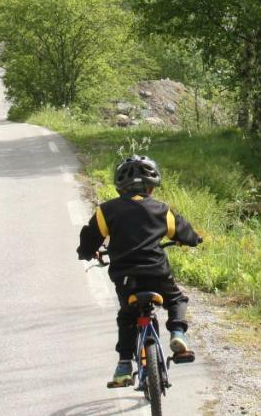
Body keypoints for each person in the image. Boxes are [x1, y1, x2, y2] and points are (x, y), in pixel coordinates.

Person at [77, 154, 202, 388]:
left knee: (127, 316)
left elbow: (89, 239)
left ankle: (124, 365)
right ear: (151, 188)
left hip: (126, 278)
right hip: (157, 274)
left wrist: (86, 252)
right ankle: (177, 333)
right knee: (176, 299)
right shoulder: (162, 210)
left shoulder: (106, 211)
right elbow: (185, 232)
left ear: (119, 187)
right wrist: (193, 239)